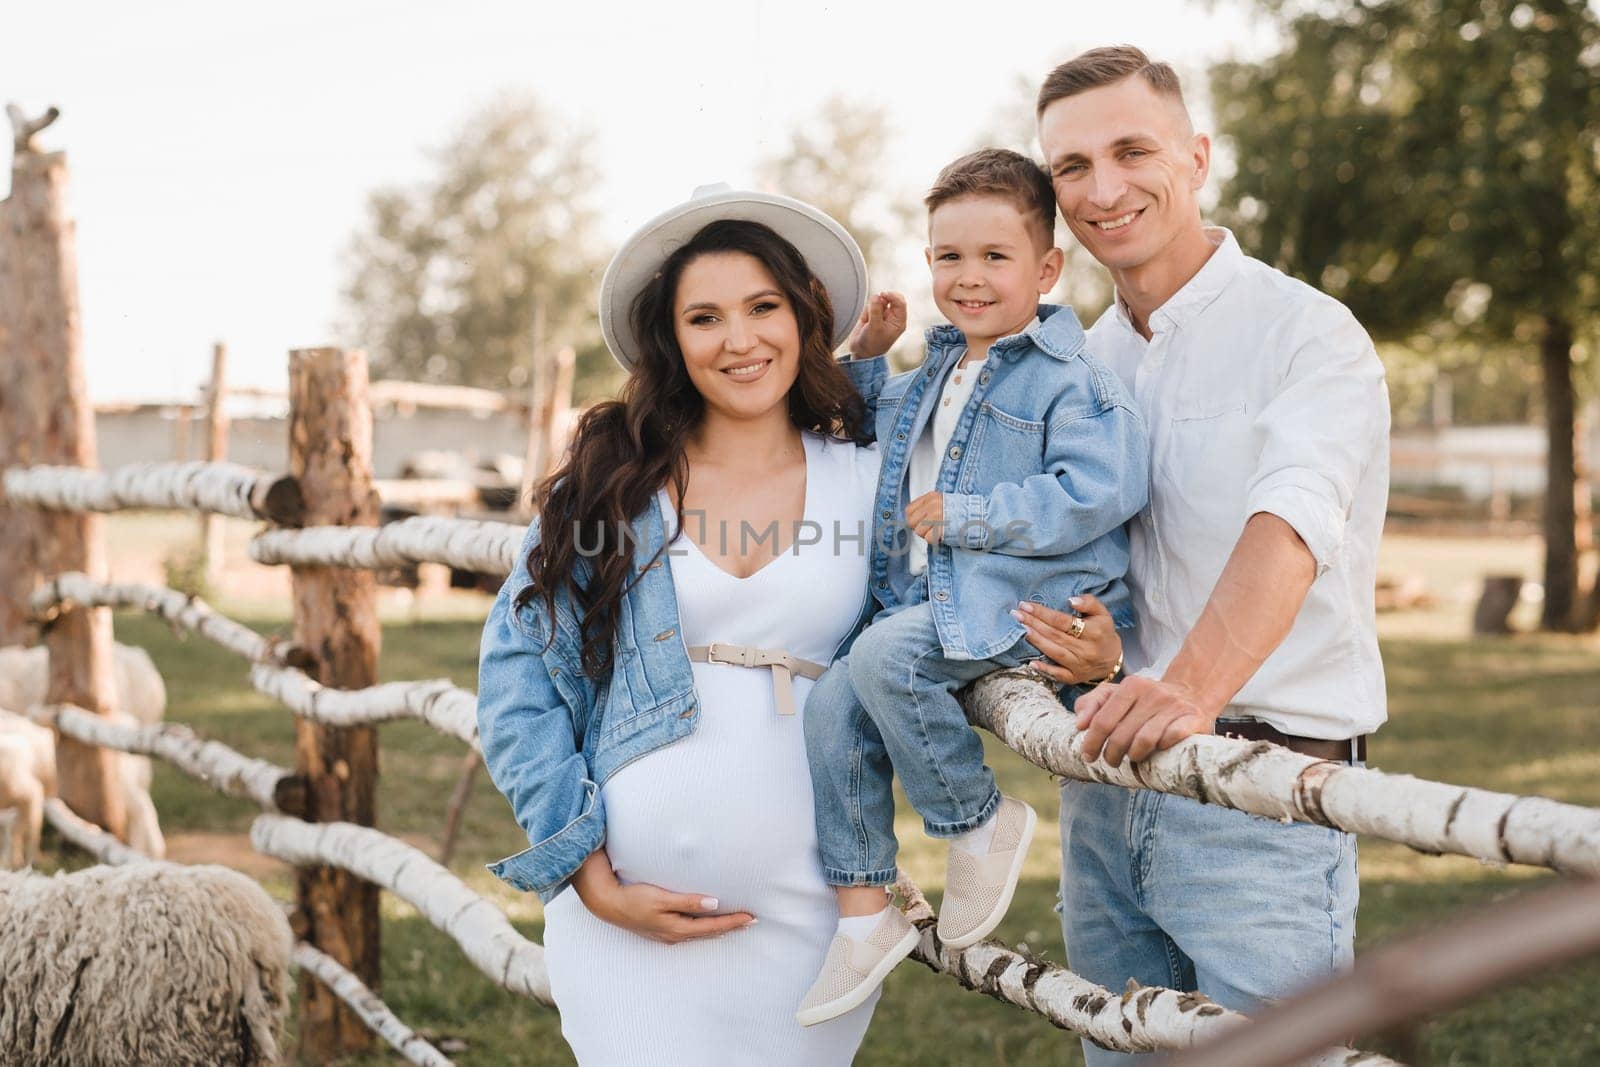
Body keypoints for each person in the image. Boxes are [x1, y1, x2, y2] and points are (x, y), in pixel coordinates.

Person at [476, 184, 906, 1064]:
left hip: (815, 912)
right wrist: (588, 878)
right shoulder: (611, 488)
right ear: (672, 342)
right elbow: (515, 683)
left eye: (763, 307)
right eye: (704, 317)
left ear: (804, 315)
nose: (739, 339)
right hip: (626, 914)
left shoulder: (866, 481)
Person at [1029, 45, 1391, 1064]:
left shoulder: (1307, 335)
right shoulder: (1082, 364)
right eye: (1070, 167)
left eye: (1131, 150)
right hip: (1104, 793)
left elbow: (1291, 524)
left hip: (1258, 799)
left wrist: (1185, 689)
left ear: (1195, 156)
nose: (1103, 189)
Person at [796, 148, 1149, 1026]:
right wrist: (869, 358)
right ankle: (865, 902)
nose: (970, 277)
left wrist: (975, 514)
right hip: (933, 598)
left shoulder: (1070, 379)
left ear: (1047, 267)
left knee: (881, 656)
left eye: (995, 257)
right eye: (949, 257)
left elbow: (1101, 489)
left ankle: (975, 820)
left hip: (1027, 603)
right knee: (830, 704)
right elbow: (870, 432)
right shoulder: (942, 369)